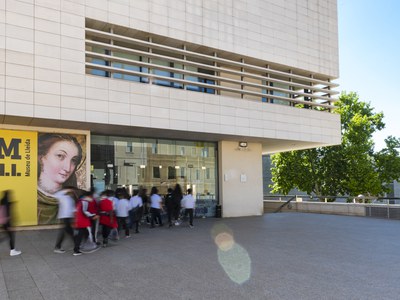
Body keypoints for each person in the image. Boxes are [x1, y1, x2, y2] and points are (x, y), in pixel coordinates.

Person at [37, 133, 84, 224]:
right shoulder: (26, 196)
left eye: (73, 160)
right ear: (41, 157)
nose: (67, 168)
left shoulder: (74, 196)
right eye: (60, 156)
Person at [54, 187, 77, 254]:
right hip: (64, 217)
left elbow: (73, 209)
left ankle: (76, 244)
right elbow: (56, 195)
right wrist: (67, 190)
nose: (72, 193)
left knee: (67, 231)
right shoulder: (62, 197)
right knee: (68, 231)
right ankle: (76, 244)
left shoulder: (71, 199)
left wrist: (74, 216)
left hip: (69, 217)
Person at [0, 190, 22, 256]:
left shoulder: (2, 201)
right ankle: (12, 251)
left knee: (8, 236)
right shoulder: (7, 203)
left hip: (2, 222)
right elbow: (8, 213)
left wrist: (13, 203)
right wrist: (9, 225)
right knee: (11, 236)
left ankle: (12, 250)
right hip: (7, 223)